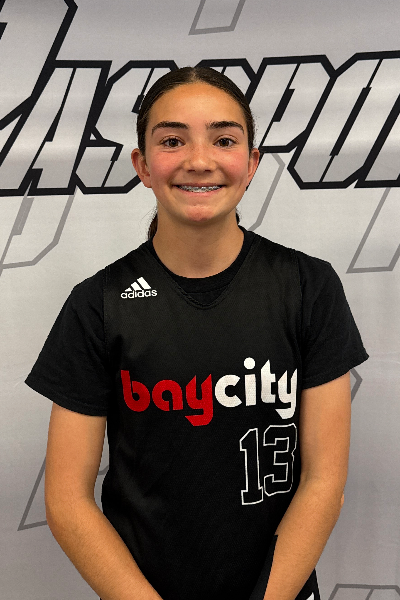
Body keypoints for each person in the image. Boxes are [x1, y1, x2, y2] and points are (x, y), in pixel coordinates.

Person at [25, 66, 368, 600]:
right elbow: (67, 501)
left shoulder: (308, 286)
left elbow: (324, 482)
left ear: (252, 163)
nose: (200, 160)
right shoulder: (98, 304)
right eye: (172, 140)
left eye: (224, 139)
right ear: (142, 165)